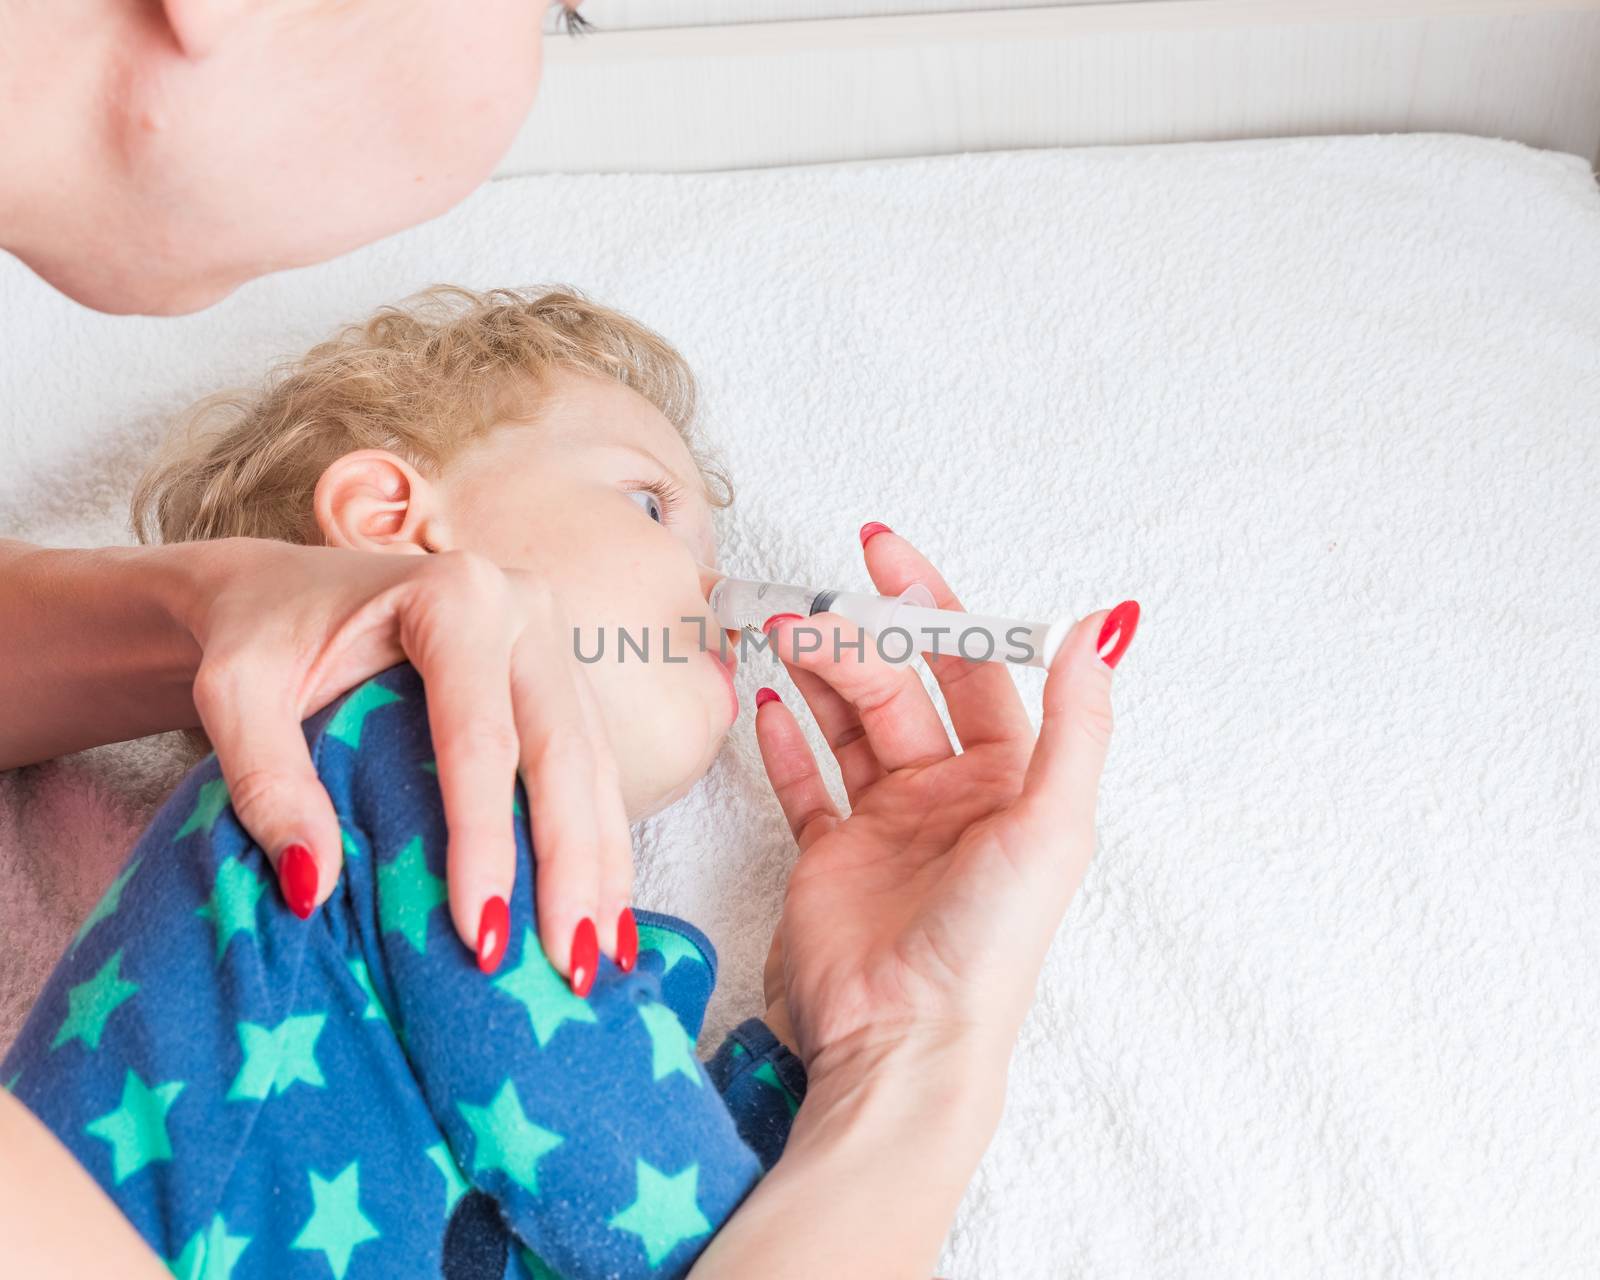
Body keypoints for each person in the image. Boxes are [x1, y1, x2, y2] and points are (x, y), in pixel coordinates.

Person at [0, 5, 1141, 1276]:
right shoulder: (399, 741)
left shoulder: (532, 912)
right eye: (647, 504)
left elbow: (597, 1174)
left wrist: (832, 1049)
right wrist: (908, 1078)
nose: (711, 584)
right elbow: (642, 1194)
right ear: (395, 520)